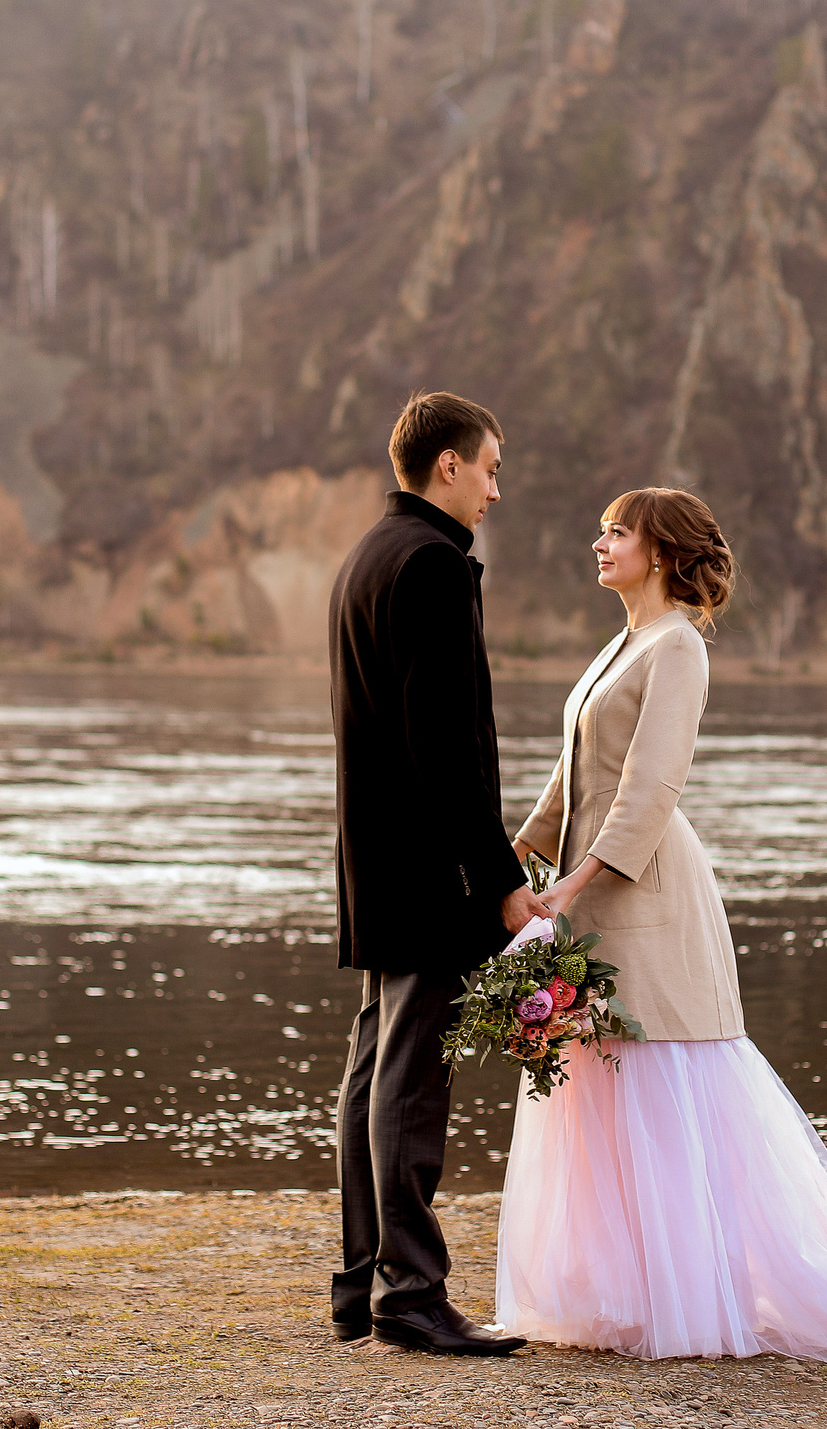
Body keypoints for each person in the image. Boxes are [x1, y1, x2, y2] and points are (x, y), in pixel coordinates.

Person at [494, 487, 827, 1371]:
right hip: (584, 893)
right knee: (598, 1087)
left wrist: (579, 880)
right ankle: (619, 1295)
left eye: (616, 531)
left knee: (659, 1083)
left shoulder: (679, 648)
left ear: (661, 552)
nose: (598, 542)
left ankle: (693, 1298)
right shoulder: (620, 643)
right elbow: (573, 771)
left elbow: (652, 787)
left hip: (645, 892)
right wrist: (521, 858)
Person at [327, 390, 550, 1358]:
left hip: (377, 857)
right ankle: (410, 1296)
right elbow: (446, 749)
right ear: (448, 464)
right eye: (491, 467)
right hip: (427, 868)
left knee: (375, 1067)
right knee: (409, 1080)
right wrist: (497, 876)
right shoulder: (431, 565)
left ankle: (359, 1283)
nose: (496, 489)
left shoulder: (366, 557)